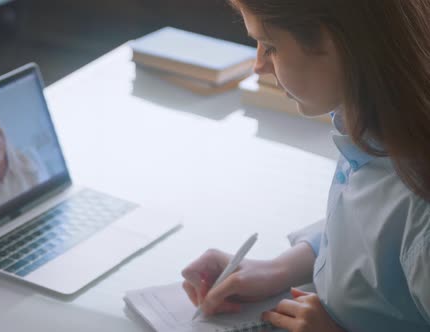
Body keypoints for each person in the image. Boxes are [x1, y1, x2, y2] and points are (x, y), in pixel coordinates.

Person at [181, 1, 430, 331]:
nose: (258, 65)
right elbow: (374, 238)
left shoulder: (419, 203)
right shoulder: (368, 125)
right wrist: (280, 268)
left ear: (333, 43)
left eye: (270, 47)